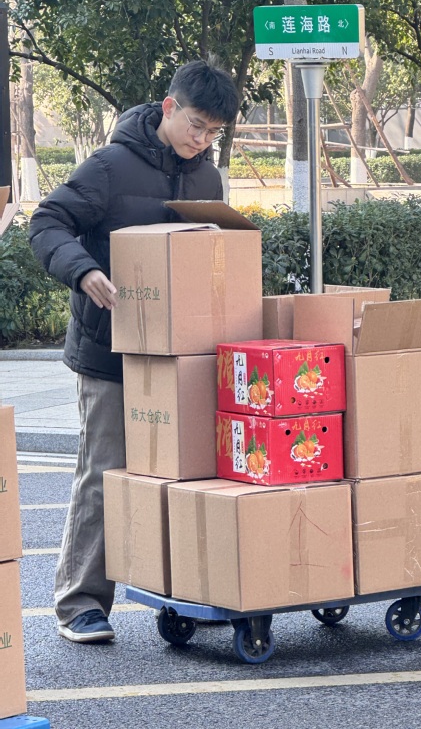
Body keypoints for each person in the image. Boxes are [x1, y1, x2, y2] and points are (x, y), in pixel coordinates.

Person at [29, 59, 239, 643]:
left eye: (214, 133)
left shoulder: (207, 180)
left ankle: (190, 590)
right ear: (169, 108)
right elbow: (47, 222)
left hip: (182, 356)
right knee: (103, 472)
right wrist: (83, 270)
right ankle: (81, 603)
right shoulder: (110, 166)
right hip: (108, 352)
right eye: (196, 126)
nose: (203, 140)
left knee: (187, 473)